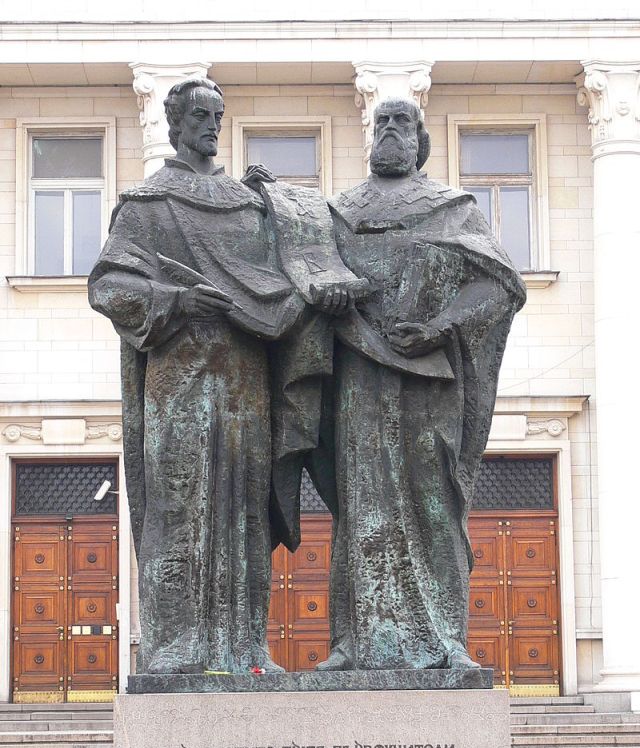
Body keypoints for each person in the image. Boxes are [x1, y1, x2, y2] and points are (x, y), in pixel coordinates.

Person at [88, 78, 350, 675]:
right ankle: (176, 651)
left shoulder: (246, 203)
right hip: (179, 380)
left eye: (218, 115)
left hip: (245, 376)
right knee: (182, 505)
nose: (211, 125)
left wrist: (283, 211)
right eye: (200, 116)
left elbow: (287, 277)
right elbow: (109, 286)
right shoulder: (147, 204)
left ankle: (244, 649)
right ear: (174, 125)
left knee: (244, 509)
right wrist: (179, 302)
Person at [317, 98, 526, 671]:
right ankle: (353, 643)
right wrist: (330, 296)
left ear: (419, 140)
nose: (388, 130)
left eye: (400, 123)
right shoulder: (337, 213)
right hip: (358, 376)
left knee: (435, 504)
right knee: (361, 506)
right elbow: (310, 279)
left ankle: (445, 640)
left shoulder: (453, 209)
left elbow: (501, 286)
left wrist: (439, 326)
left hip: (430, 382)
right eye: (380, 122)